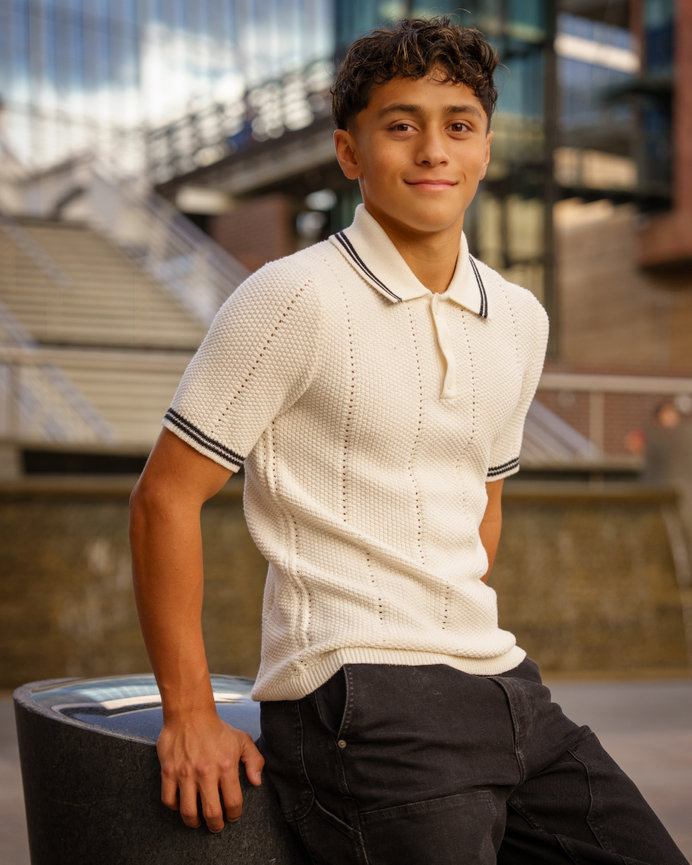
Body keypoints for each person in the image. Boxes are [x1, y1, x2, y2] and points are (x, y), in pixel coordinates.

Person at [129, 17, 689, 865]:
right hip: (357, 696)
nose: (433, 149)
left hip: (505, 683)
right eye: (401, 124)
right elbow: (164, 496)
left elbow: (483, 508)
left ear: (486, 149)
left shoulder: (521, 318)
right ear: (350, 153)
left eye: (457, 125)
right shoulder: (291, 297)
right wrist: (190, 710)